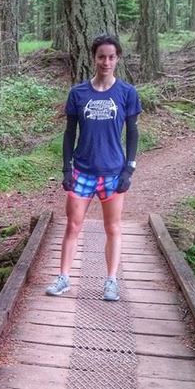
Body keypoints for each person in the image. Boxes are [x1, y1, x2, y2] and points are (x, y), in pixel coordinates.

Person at [45, 34, 142, 302]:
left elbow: (132, 133)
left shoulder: (127, 93)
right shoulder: (78, 93)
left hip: (113, 172)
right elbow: (68, 133)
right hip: (82, 172)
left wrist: (129, 169)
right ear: (94, 58)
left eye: (111, 57)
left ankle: (111, 281)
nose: (106, 62)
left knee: (113, 228)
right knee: (73, 226)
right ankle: (64, 277)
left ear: (118, 59)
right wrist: (66, 169)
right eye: (102, 56)